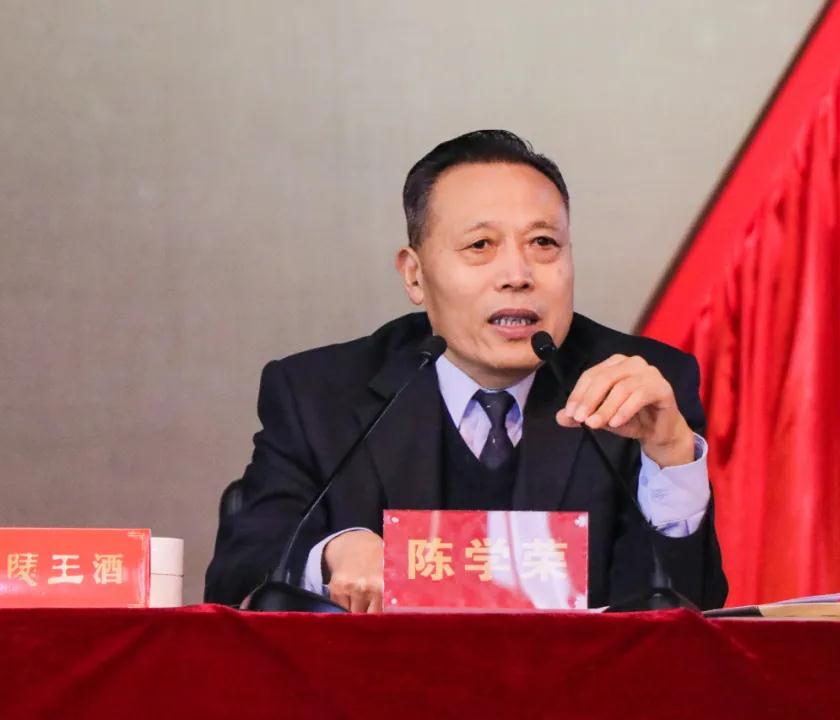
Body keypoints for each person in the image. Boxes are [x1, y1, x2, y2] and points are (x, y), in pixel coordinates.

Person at [205, 130, 727, 611]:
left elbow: (686, 614)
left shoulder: (640, 390)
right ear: (415, 276)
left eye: (544, 244)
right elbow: (237, 576)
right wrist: (334, 553)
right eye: (480, 246)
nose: (518, 275)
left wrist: (670, 457)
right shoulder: (319, 395)